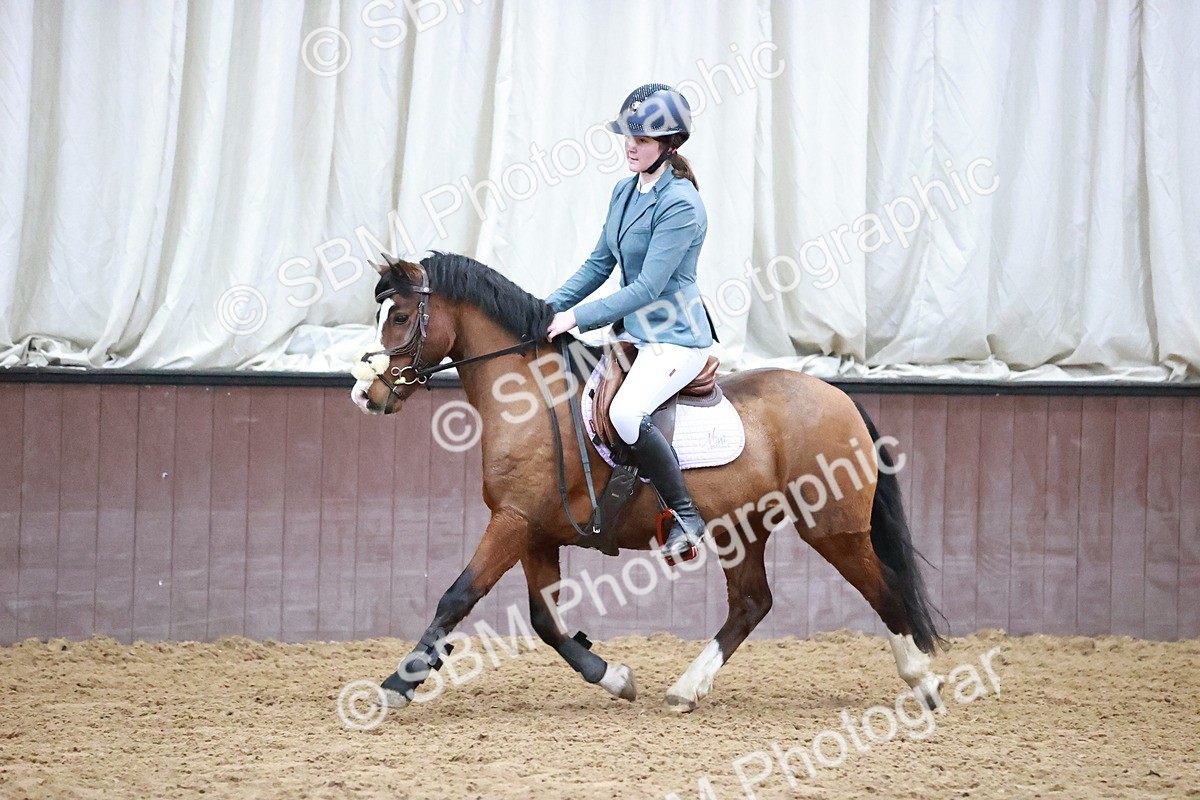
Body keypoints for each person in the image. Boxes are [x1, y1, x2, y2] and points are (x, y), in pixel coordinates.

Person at [545, 83, 716, 562]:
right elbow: (598, 263)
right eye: (629, 136)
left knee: (624, 413)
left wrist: (575, 317)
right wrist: (545, 308)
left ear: (669, 145)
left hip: (675, 337)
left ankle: (687, 515)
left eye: (642, 139)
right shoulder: (624, 191)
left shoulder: (681, 204)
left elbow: (646, 289)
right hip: (632, 334)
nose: (630, 146)